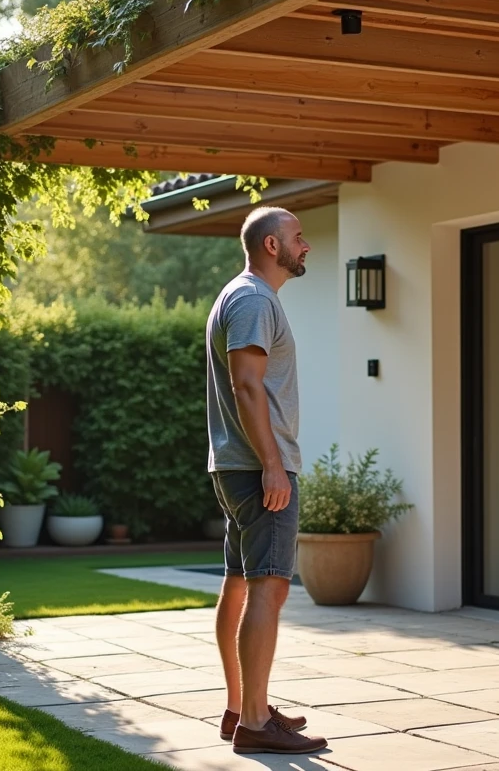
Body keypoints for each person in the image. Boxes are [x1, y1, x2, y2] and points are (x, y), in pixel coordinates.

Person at [204, 206, 327, 755]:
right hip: (258, 469)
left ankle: (240, 709)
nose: (307, 246)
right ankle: (255, 722)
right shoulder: (254, 298)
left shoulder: (244, 295)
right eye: (298, 238)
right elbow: (248, 385)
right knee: (269, 588)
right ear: (271, 246)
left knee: (239, 584)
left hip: (237, 465)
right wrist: (274, 463)